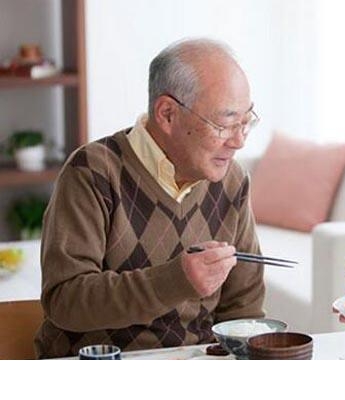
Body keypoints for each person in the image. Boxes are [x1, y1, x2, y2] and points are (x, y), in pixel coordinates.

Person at [35, 38, 265, 357]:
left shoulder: (232, 180)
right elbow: (66, 302)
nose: (239, 141)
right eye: (225, 124)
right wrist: (174, 280)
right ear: (167, 114)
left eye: (246, 121)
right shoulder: (92, 172)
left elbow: (243, 312)